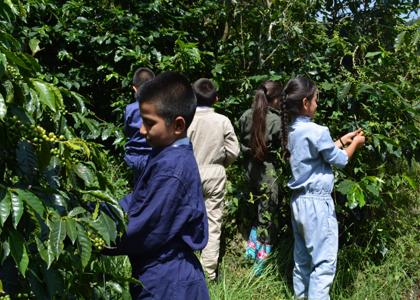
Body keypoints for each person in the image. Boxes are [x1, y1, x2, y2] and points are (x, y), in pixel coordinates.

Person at [104, 71, 210, 300]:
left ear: (178, 125)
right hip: (159, 276)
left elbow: (145, 228)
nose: (142, 130)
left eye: (150, 123)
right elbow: (138, 198)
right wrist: (103, 209)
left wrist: (93, 236)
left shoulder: (173, 170)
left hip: (170, 282)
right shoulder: (163, 154)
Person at [282, 76, 365, 299]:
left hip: (299, 203)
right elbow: (341, 160)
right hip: (318, 205)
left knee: (302, 261)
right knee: (324, 263)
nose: (318, 104)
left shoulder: (291, 131)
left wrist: (340, 140)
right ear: (305, 103)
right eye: (316, 99)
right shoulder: (318, 131)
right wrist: (355, 144)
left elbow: (318, 154)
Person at [187, 78, 240, 281]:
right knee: (213, 222)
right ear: (216, 99)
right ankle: (207, 274)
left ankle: (186, 266)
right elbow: (234, 151)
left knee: (186, 218)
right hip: (215, 173)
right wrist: (222, 163)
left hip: (190, 171)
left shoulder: (187, 119)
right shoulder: (222, 120)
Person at [238, 80, 285, 274]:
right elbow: (285, 147)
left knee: (257, 210)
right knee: (268, 215)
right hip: (268, 173)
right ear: (274, 100)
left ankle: (250, 251)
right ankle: (260, 263)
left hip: (250, 172)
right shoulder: (276, 121)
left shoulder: (246, 116)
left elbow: (239, 139)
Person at [123, 67, 155, 184]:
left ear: (134, 89)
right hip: (154, 155)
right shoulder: (160, 108)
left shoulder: (130, 109)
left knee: (139, 188)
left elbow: (127, 131)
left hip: (134, 156)